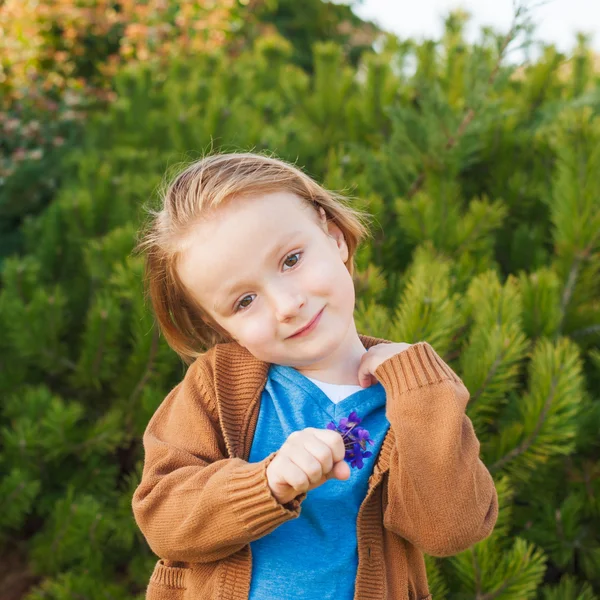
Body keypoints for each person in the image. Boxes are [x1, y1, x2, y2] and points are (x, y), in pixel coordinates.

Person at [131, 152, 498, 600]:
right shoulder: (217, 386)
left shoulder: (410, 395)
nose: (287, 305)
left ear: (334, 236)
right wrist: (265, 483)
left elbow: (450, 530)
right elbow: (162, 515)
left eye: (291, 260)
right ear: (220, 328)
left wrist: (422, 387)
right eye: (244, 301)